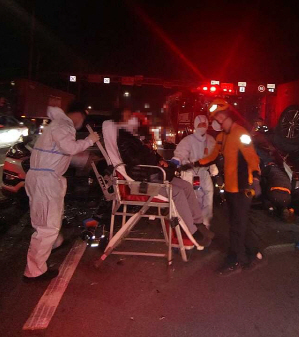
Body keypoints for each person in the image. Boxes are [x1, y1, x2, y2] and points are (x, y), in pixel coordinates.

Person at [102, 111, 214, 248]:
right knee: (177, 193)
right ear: (120, 121)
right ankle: (191, 231)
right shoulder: (124, 139)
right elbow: (134, 160)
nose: (133, 118)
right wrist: (153, 158)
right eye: (128, 116)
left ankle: (198, 222)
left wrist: (160, 160)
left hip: (154, 173)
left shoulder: (133, 136)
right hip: (144, 179)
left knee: (186, 186)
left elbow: (149, 154)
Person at [24, 102, 100, 282]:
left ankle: (53, 243)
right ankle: (34, 271)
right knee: (47, 226)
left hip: (40, 178)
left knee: (44, 221)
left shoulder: (56, 124)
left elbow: (59, 152)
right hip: (46, 181)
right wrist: (90, 140)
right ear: (79, 115)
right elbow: (69, 148)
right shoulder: (64, 124)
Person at [195, 99, 262, 275]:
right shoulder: (221, 137)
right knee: (239, 224)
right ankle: (254, 254)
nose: (218, 118)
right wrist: (194, 163)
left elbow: (252, 157)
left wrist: (256, 177)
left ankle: (235, 261)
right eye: (216, 116)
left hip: (243, 187)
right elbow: (212, 156)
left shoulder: (241, 134)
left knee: (236, 226)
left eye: (220, 115)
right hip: (231, 188)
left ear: (227, 114)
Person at [172, 115, 218, 227]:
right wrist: (177, 162)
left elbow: (213, 155)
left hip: (204, 173)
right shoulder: (188, 140)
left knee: (208, 196)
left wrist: (213, 166)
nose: (202, 127)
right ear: (195, 125)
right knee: (192, 198)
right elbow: (180, 153)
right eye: (200, 124)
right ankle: (190, 224)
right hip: (190, 173)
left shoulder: (211, 140)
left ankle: (205, 223)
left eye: (204, 124)